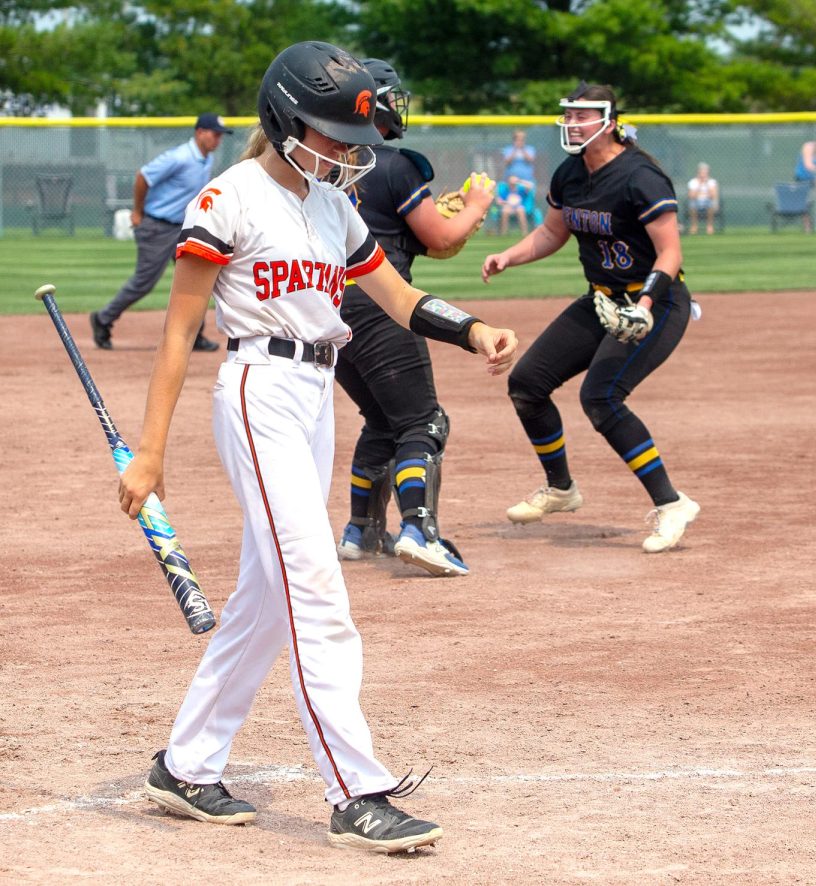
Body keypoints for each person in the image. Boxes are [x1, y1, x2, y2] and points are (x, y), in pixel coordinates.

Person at [117, 42, 516, 853]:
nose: (343, 150)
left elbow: (399, 298)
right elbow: (179, 330)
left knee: (268, 601)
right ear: (282, 117)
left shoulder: (336, 210)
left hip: (314, 399)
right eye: (329, 134)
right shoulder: (227, 198)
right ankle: (357, 791)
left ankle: (185, 766)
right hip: (257, 393)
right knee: (315, 591)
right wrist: (149, 451)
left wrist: (472, 330)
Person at [481, 81, 699, 553]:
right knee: (528, 384)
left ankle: (672, 503)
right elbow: (551, 232)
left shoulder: (641, 176)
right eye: (569, 115)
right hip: (601, 300)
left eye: (582, 115)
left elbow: (670, 253)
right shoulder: (569, 173)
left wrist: (643, 305)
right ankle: (561, 489)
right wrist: (509, 256)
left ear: (610, 121)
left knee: (600, 397)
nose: (572, 123)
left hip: (655, 303)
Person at [333, 57, 495, 577]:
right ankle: (419, 531)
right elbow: (441, 237)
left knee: (381, 419)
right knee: (422, 421)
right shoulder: (395, 165)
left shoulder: (325, 164)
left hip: (329, 306)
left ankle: (361, 530)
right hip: (382, 304)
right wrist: (475, 205)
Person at [90, 112, 234, 352]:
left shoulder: (206, 158)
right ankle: (103, 319)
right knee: (144, 282)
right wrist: (137, 212)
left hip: (181, 228)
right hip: (157, 226)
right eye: (215, 134)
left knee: (195, 277)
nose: (218, 140)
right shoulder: (179, 157)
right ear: (200, 132)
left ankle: (194, 334)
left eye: (221, 136)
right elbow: (142, 176)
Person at [686, 162, 719, 235]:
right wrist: (700, 184)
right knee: (692, 204)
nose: (703, 174)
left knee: (711, 204)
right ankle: (694, 226)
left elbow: (713, 195)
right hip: (696, 202)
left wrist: (706, 183)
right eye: (702, 172)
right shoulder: (693, 182)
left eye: (705, 172)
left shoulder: (712, 182)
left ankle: (710, 226)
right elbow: (691, 196)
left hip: (707, 202)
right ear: (698, 172)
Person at [501, 129, 536, 193]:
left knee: (526, 200)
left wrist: (522, 149)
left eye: (522, 139)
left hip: (527, 180)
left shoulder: (529, 149)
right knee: (513, 200)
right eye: (518, 139)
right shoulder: (508, 149)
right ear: (514, 140)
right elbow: (507, 162)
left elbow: (531, 160)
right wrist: (515, 149)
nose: (520, 141)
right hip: (511, 181)